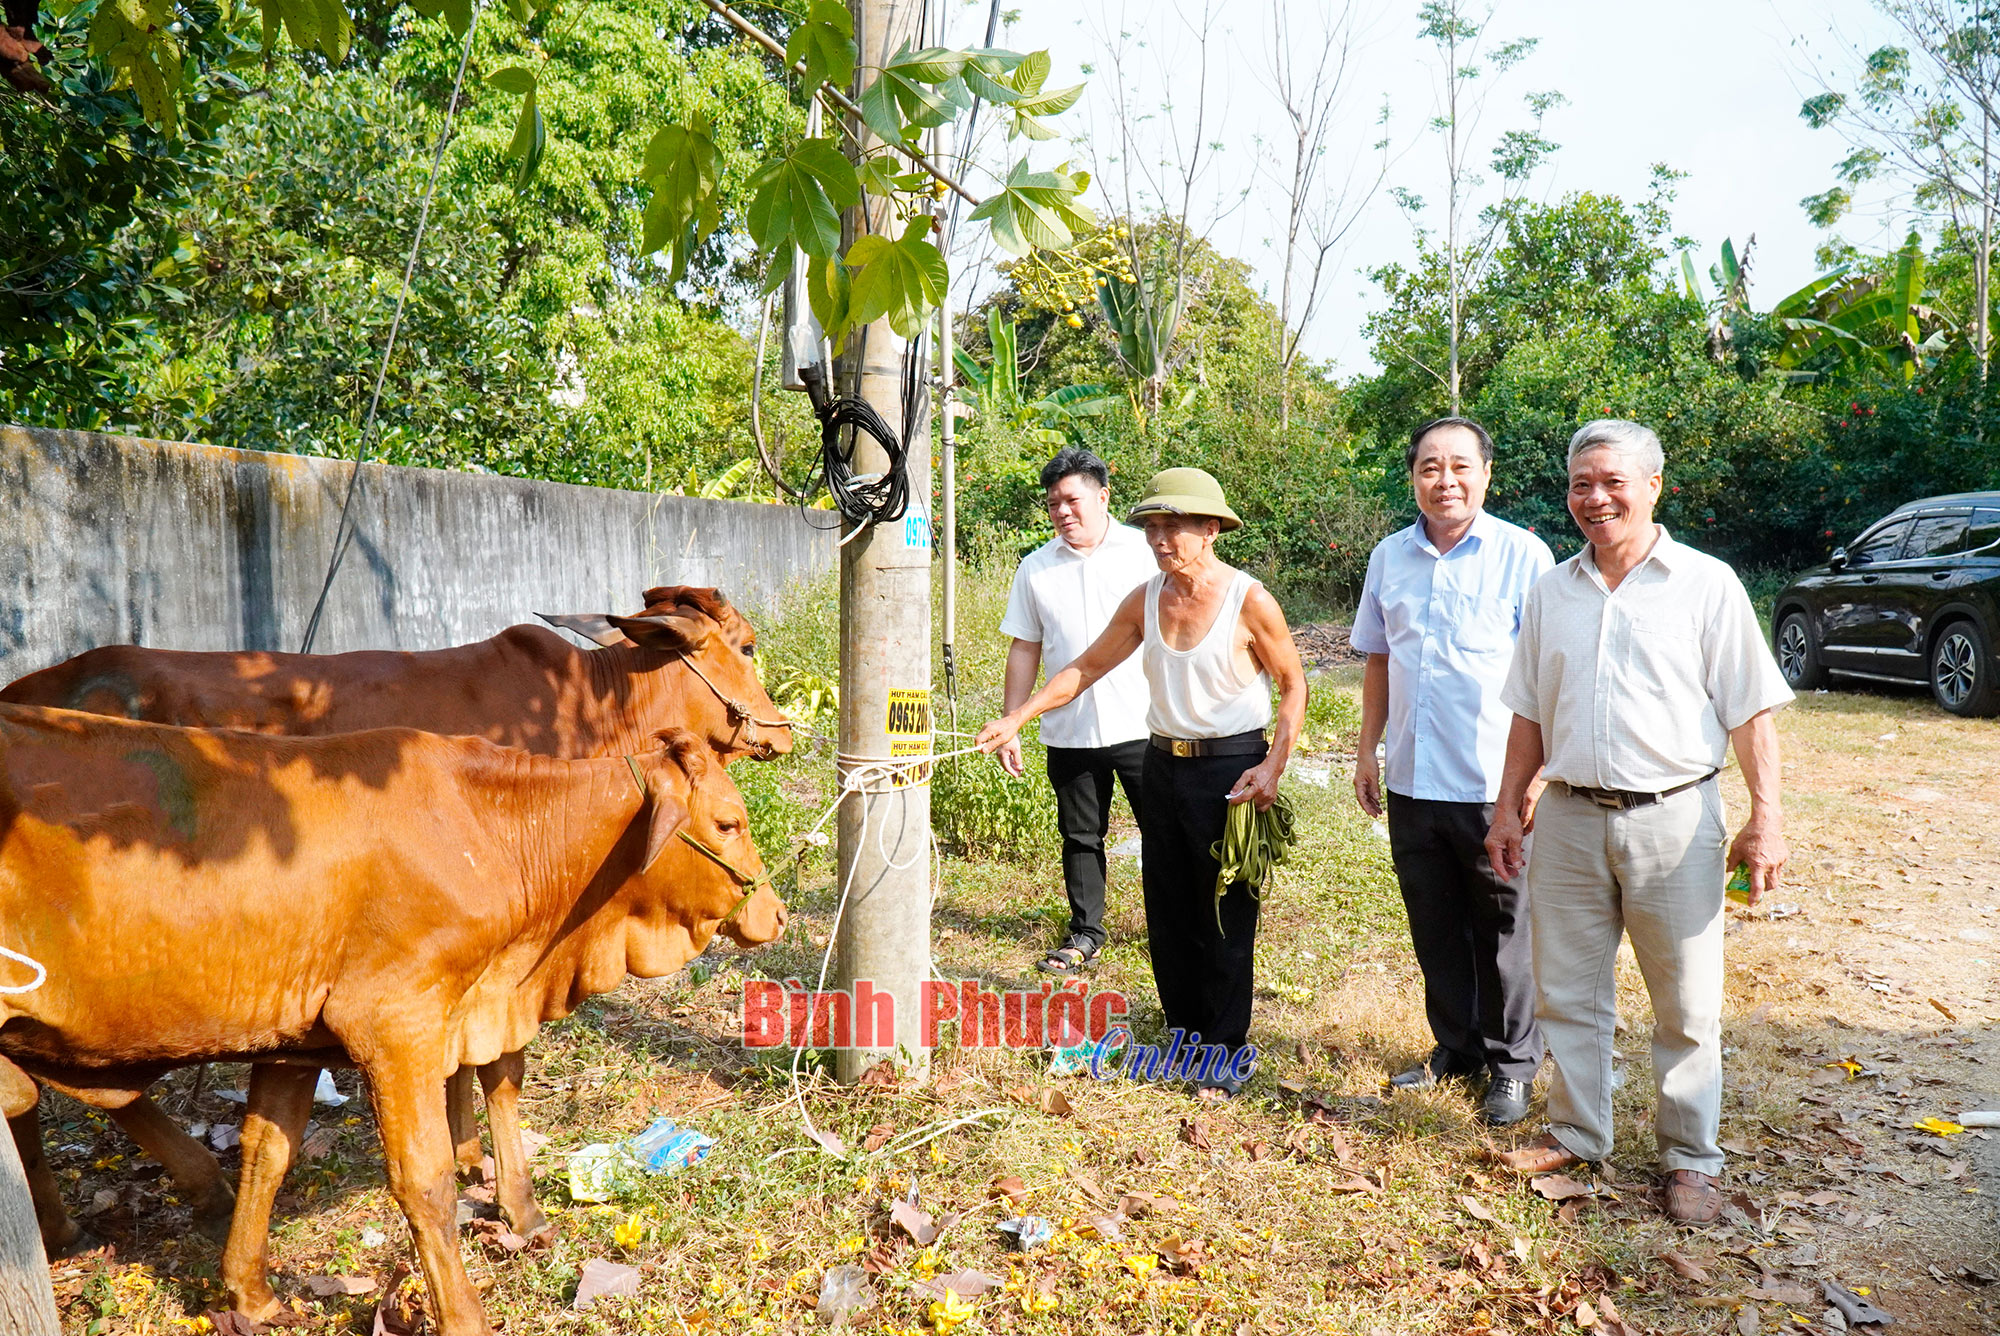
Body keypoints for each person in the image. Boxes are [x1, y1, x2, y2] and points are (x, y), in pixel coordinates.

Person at [1483, 419, 1792, 1225]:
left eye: (1613, 481)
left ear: (1653, 486)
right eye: (1582, 483)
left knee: (1686, 1003)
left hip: (1676, 819)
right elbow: (1527, 713)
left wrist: (1768, 817)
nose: (1596, 498)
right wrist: (1507, 807)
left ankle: (1690, 1158)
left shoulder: (1705, 584)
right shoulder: (1552, 590)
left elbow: (1751, 710)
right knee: (1568, 995)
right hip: (1572, 817)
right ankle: (1579, 1134)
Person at [978, 468, 1308, 1099]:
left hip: (1231, 766)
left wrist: (1273, 765)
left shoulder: (1249, 599)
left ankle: (1224, 1049)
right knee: (1170, 904)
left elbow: (1294, 684)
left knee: (1224, 911)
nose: (1160, 539)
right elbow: (1086, 667)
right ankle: (1184, 1031)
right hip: (1162, 765)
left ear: (1210, 530)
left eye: (1174, 527)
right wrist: (1020, 714)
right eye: (1152, 528)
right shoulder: (1145, 599)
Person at [1351, 416, 1553, 1127]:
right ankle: (1457, 1049)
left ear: (1486, 475)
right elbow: (1379, 657)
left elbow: (1545, 675)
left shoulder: (1524, 558)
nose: (1446, 480)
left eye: (1460, 466)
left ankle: (1512, 1065)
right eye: (1430, 467)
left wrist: (1531, 782)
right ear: (1413, 477)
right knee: (1434, 924)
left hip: (1492, 785)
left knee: (1504, 930)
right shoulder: (1389, 557)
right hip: (1412, 776)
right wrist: (1367, 747)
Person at [996, 447, 1159, 975]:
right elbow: (1025, 647)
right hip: (1069, 729)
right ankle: (1087, 931)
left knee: (1163, 828)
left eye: (1072, 499)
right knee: (1081, 834)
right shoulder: (1036, 568)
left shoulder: (1144, 553)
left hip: (1145, 722)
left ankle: (1172, 923)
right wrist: (1011, 723)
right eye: (1053, 504)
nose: (1063, 512)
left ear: (1103, 496)